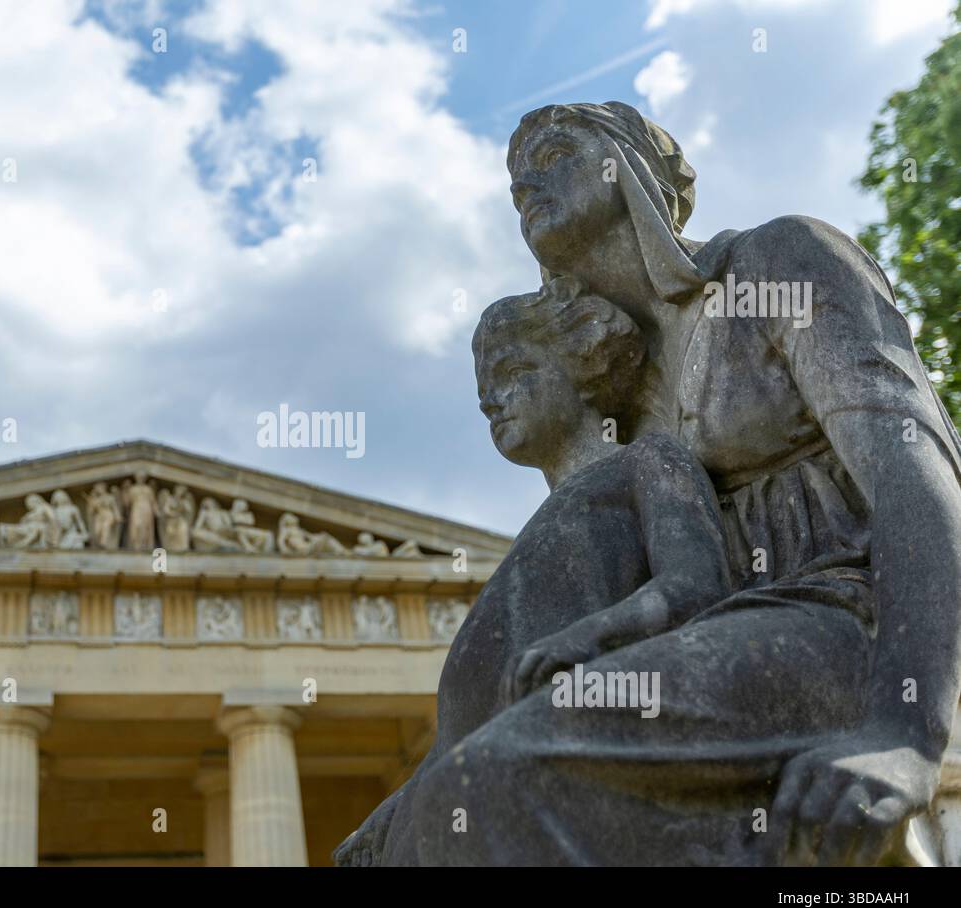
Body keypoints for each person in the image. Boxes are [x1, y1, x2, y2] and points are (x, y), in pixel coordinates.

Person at [392, 101, 961, 867]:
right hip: (719, 645)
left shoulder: (778, 261)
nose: (525, 181)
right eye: (513, 175)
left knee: (493, 781)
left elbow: (919, 478)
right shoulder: (607, 393)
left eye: (555, 149)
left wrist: (903, 734)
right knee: (433, 824)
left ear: (632, 166)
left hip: (842, 620)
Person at [336, 277, 731, 866]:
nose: (491, 400)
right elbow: (468, 712)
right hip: (475, 778)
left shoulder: (647, 462)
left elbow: (696, 586)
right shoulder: (528, 540)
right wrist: (401, 800)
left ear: (583, 363)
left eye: (511, 372)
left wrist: (592, 635)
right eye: (482, 390)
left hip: (563, 750)